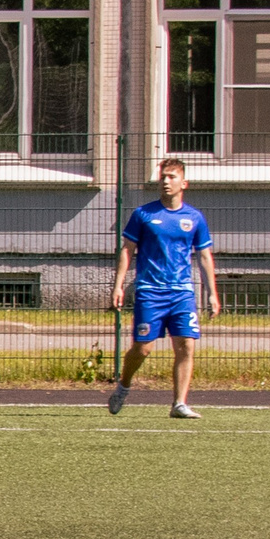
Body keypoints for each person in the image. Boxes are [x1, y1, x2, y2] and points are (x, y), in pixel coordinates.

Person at [109, 157, 220, 419]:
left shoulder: (194, 218)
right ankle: (124, 384)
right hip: (150, 291)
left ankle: (179, 403)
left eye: (171, 177)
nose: (165, 182)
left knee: (186, 346)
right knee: (143, 348)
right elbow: (127, 250)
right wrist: (119, 285)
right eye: (163, 177)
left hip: (182, 293)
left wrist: (212, 292)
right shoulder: (143, 214)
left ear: (184, 183)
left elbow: (205, 256)